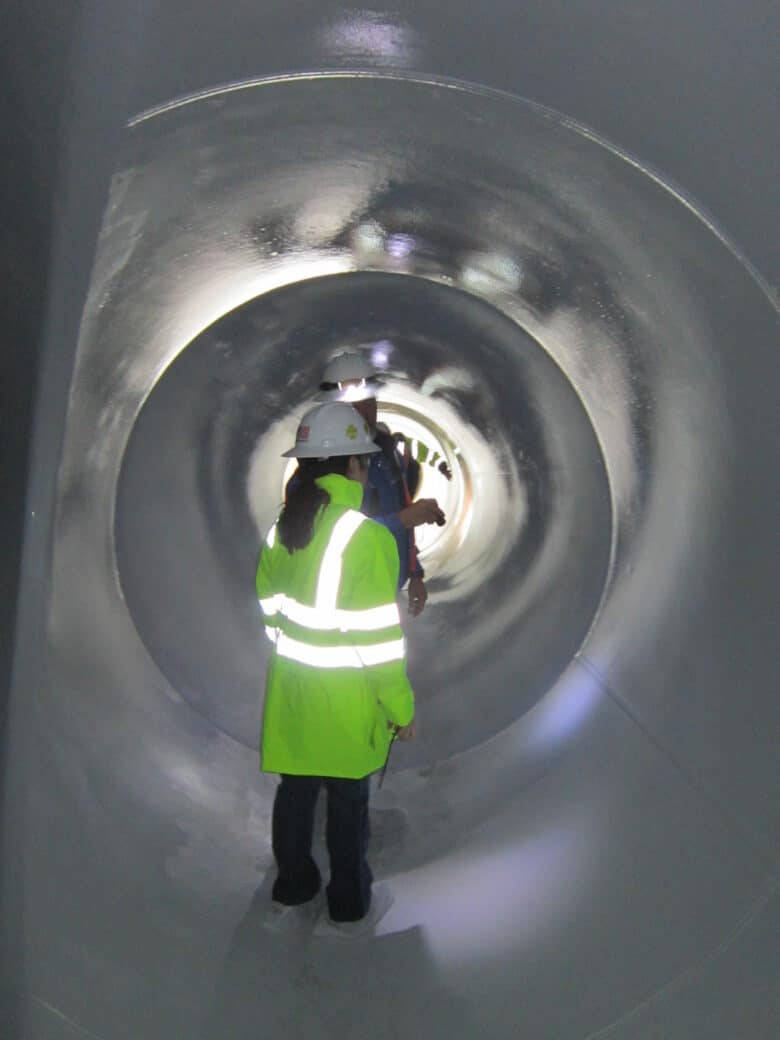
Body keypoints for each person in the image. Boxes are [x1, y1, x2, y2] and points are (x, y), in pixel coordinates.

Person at [257, 401, 416, 937]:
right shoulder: (366, 537)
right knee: (348, 809)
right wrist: (400, 708)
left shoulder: (284, 527)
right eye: (365, 459)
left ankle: (292, 885)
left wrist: (291, 652)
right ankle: (348, 905)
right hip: (347, 704)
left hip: (294, 694)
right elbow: (378, 641)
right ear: (353, 465)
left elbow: (269, 606)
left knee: (295, 795)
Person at [316, 352, 445, 617]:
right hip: (348, 598)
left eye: (369, 401)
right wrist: (402, 519)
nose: (365, 411)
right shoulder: (319, 466)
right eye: (354, 405)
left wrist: (415, 574)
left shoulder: (387, 452)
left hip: (388, 587)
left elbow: (402, 513)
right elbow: (326, 543)